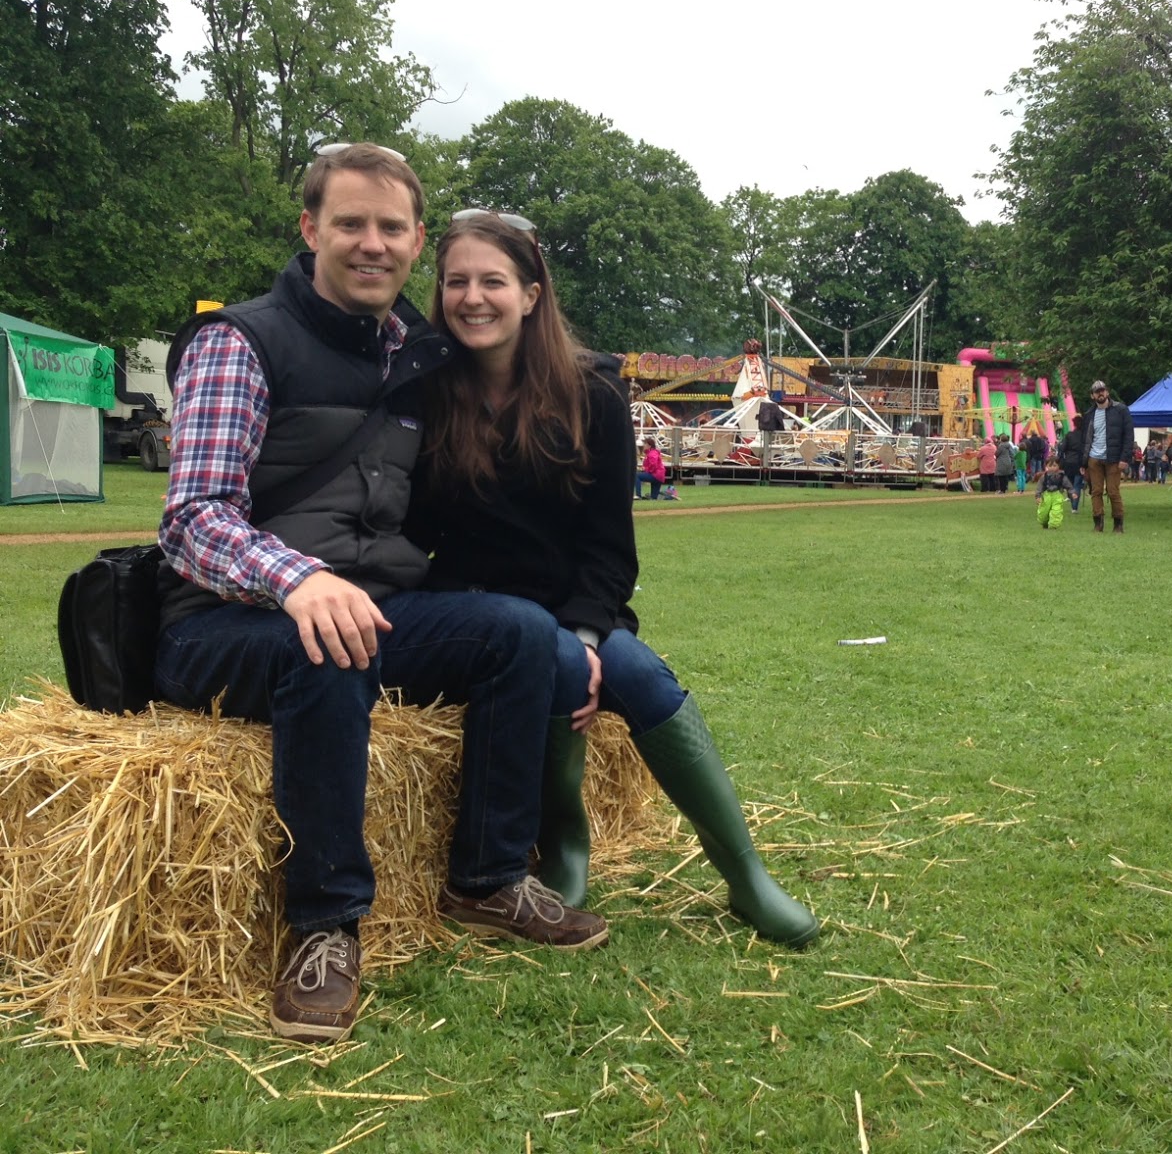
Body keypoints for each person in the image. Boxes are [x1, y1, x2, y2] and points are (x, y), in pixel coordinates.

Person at [153, 147, 607, 1045]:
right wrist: (298, 580)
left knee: (517, 632)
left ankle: (487, 878)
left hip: (365, 608)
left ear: (416, 241)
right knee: (331, 644)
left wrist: (588, 613)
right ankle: (324, 927)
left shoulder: (416, 352)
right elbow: (192, 518)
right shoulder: (239, 342)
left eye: (391, 227)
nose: (372, 244)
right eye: (351, 223)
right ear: (310, 228)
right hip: (220, 623)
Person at [407, 211, 819, 948]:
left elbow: (609, 548)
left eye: (492, 281)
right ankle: (565, 844)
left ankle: (746, 876)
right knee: (558, 667)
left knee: (646, 680)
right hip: (472, 610)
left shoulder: (591, 394)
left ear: (531, 294)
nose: (472, 298)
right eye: (455, 282)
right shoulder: (428, 391)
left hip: (573, 604)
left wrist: (587, 633)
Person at [1082, 380, 1134, 532]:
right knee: (1096, 492)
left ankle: (1118, 524)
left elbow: (1128, 435)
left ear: (1107, 392)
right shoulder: (1089, 414)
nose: (1100, 393)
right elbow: (1084, 439)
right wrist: (1083, 462)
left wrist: (1124, 458)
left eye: (1102, 390)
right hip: (1094, 458)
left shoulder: (1121, 410)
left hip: (1114, 458)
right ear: (1092, 395)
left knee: (1113, 491)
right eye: (1097, 391)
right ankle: (1098, 523)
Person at [1055, 419, 1084, 514]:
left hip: (1069, 461)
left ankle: (1072, 503)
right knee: (1077, 485)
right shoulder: (1084, 435)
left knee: (1070, 485)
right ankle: (1074, 507)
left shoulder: (1069, 435)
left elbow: (1062, 448)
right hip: (1080, 462)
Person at [1036, 456, 1069, 529]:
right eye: (1050, 466)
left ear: (1058, 466)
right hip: (1046, 496)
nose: (1052, 468)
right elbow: (1039, 487)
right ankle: (1044, 522)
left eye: (1054, 466)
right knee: (1044, 511)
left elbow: (1067, 484)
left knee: (1056, 511)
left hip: (1057, 495)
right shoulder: (1044, 477)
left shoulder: (1061, 476)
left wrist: (1072, 492)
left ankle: (1054, 525)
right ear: (1046, 466)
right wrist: (1038, 496)